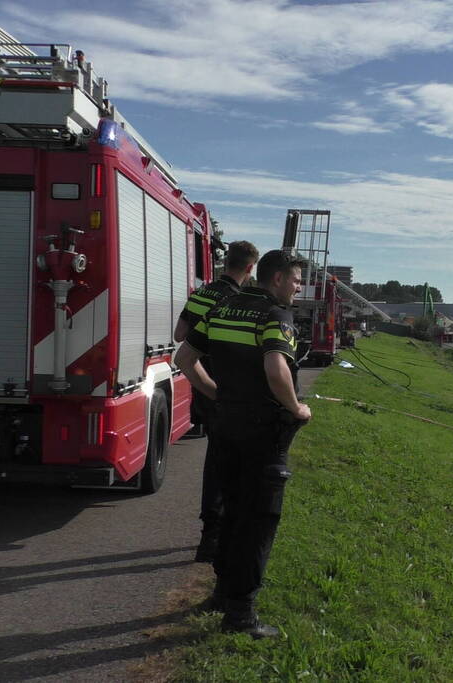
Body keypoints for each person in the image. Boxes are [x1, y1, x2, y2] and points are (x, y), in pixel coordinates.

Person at [174, 249, 310, 639]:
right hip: (263, 431)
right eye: (297, 280)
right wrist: (296, 408)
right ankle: (242, 614)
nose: (299, 287)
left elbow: (185, 356)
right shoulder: (275, 315)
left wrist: (216, 393)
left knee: (231, 512)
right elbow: (275, 366)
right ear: (278, 278)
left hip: (225, 424)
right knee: (259, 520)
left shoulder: (223, 307)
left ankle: (221, 592)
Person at [174, 240, 259, 564]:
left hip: (201, 381)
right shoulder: (241, 300)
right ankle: (217, 534)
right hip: (229, 386)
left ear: (226, 261)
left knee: (216, 454)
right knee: (231, 461)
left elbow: (181, 334)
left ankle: (213, 531)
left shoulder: (202, 294)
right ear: (250, 268)